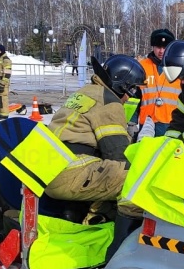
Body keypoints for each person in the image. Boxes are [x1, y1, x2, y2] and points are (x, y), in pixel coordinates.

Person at [46, 55, 147, 222]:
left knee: (108, 170)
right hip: (69, 173)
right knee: (135, 178)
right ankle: (122, 237)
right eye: (132, 89)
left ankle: (96, 212)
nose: (130, 97)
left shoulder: (85, 92)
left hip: (50, 167)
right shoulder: (109, 102)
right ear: (121, 86)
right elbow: (118, 153)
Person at [138, 28, 179, 137]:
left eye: (164, 47)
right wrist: (132, 121)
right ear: (153, 47)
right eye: (158, 47)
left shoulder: (178, 67)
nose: (161, 51)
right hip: (147, 123)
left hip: (171, 123)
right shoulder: (142, 67)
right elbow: (135, 97)